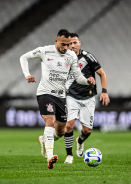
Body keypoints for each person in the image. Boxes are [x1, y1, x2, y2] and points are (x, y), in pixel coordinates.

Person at [19, 29, 96, 169]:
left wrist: (87, 81)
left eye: (67, 44)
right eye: (63, 44)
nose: (65, 47)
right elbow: (23, 57)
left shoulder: (71, 55)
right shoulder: (45, 51)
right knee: (50, 121)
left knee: (61, 130)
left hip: (61, 96)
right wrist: (27, 75)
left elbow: (78, 77)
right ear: (56, 41)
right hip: (45, 93)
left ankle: (44, 140)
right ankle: (50, 156)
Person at [64, 33, 110, 164]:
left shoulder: (87, 57)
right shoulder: (64, 58)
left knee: (87, 131)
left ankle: (80, 141)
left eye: (75, 42)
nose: (72, 45)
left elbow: (102, 73)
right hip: (71, 96)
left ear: (79, 43)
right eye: (70, 43)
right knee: (69, 126)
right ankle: (69, 155)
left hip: (88, 97)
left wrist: (104, 92)